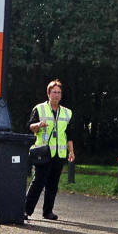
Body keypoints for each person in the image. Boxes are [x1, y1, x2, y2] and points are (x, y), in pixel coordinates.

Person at [25, 79, 76, 220]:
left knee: (53, 185)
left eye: (59, 92)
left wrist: (71, 151)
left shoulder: (67, 113)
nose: (56, 95)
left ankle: (48, 212)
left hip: (59, 153)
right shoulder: (39, 108)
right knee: (38, 182)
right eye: (54, 92)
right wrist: (38, 125)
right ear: (48, 94)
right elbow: (29, 126)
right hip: (43, 152)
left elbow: (69, 134)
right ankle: (25, 210)